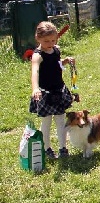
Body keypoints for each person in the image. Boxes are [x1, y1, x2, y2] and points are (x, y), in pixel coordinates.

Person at [29, 21, 74, 159]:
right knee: (46, 122)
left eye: (53, 40)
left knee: (61, 120)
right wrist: (35, 88)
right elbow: (35, 72)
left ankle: (63, 148)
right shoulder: (37, 55)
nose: (50, 43)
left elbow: (56, 65)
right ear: (38, 38)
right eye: (46, 41)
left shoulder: (56, 49)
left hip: (59, 91)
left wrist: (65, 61)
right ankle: (47, 148)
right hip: (45, 94)